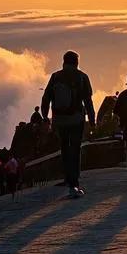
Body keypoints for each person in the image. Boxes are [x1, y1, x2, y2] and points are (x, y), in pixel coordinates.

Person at [41, 50, 96, 199]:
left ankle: (67, 178)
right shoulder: (82, 77)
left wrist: (45, 116)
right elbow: (88, 101)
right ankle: (74, 183)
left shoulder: (55, 77)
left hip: (59, 120)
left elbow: (46, 98)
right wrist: (92, 120)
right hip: (76, 119)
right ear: (76, 63)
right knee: (75, 149)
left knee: (64, 148)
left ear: (63, 62)